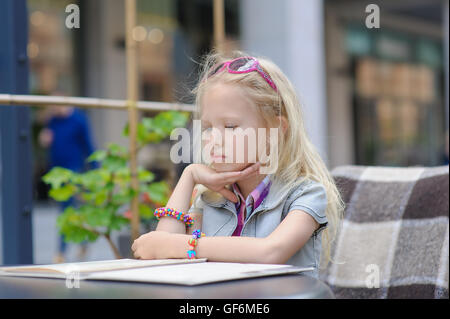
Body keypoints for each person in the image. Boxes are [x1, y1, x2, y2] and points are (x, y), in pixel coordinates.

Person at [131, 51, 345, 278]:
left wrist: (179, 246)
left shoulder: (305, 194)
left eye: (230, 126)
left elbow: (270, 252)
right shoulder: (210, 198)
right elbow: (163, 260)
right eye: (208, 127)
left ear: (275, 130)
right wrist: (189, 175)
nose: (213, 139)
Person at [39, 104, 97, 263]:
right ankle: (83, 241)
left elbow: (88, 145)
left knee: (66, 211)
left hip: (73, 172)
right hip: (56, 172)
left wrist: (96, 170)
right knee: (71, 210)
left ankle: (61, 252)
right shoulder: (52, 120)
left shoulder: (79, 119)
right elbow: (49, 142)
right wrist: (45, 140)